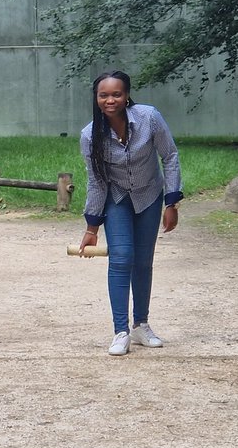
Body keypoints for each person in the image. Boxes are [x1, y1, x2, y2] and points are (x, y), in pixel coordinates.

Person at [77, 70, 182, 356]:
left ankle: (141, 325)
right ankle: (120, 331)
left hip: (150, 194)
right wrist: (91, 228)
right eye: (103, 95)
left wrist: (171, 203)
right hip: (117, 197)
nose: (110, 100)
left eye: (116, 94)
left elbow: (169, 156)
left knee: (143, 261)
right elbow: (96, 180)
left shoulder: (149, 117)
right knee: (122, 258)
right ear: (96, 98)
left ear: (126, 96)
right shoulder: (90, 135)